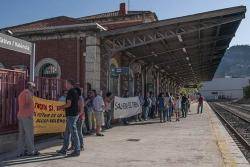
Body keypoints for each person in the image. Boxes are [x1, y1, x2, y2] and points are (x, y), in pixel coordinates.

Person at [57, 79, 80, 156]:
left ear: (70, 84)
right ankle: (64, 149)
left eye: (66, 83)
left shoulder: (70, 92)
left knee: (73, 132)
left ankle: (77, 150)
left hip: (71, 115)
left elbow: (68, 104)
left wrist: (60, 107)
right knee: (67, 133)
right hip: (73, 114)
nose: (65, 85)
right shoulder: (75, 91)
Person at [17, 82, 39, 157]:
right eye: (33, 87)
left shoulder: (22, 93)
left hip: (21, 115)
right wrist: (30, 113)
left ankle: (21, 151)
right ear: (29, 87)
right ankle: (31, 151)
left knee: (22, 135)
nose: (34, 89)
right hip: (27, 116)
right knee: (29, 134)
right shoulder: (27, 93)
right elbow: (27, 103)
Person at [69, 87, 85, 151]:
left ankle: (81, 145)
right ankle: (73, 146)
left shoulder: (80, 98)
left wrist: (77, 117)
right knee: (73, 132)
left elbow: (81, 110)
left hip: (79, 117)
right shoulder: (75, 98)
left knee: (78, 132)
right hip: (75, 117)